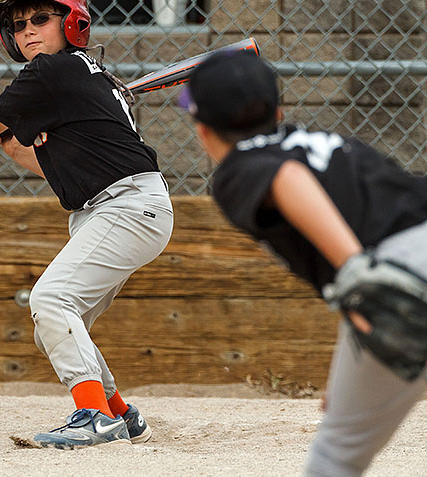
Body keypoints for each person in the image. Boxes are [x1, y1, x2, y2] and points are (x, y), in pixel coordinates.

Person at [180, 50, 427, 476]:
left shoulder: (239, 170)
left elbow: (286, 178)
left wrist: (358, 273)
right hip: (405, 262)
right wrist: (347, 380)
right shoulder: (330, 143)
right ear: (278, 112)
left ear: (202, 131)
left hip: (402, 275)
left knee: (335, 457)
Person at [0, 0, 173, 448]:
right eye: (18, 26)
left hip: (125, 206)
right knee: (59, 324)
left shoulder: (53, 70)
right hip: (114, 209)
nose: (28, 31)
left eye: (40, 18)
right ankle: (121, 414)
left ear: (71, 21)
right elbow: (50, 164)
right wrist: (7, 141)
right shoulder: (86, 79)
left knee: (50, 301)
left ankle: (92, 415)